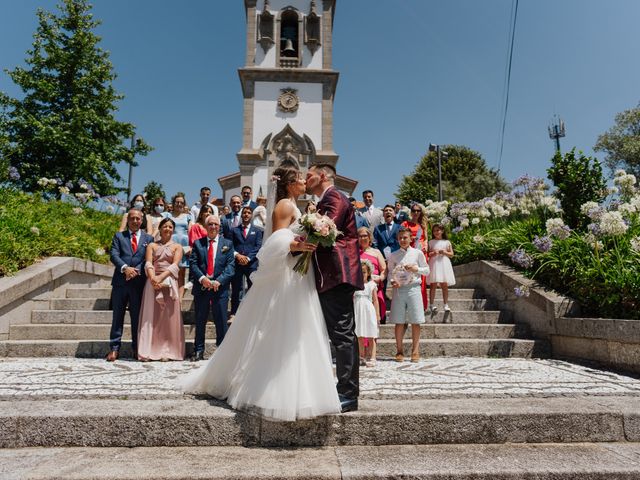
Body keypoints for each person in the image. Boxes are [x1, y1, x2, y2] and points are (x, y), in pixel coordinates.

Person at [181, 166, 341, 421]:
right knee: (283, 330)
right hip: (287, 277)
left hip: (297, 275)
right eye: (299, 178)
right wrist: (298, 245)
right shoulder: (285, 207)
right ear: (289, 185)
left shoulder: (294, 206)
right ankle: (269, 388)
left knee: (298, 330)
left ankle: (302, 387)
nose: (303, 181)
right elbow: (274, 244)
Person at [306, 163, 364, 413]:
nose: (305, 179)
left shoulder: (335, 197)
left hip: (338, 274)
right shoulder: (324, 200)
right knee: (337, 334)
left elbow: (326, 229)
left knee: (342, 334)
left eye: (308, 175)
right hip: (328, 275)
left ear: (322, 175)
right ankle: (339, 388)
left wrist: (296, 240)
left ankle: (348, 393)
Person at [107, 209, 154, 361]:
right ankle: (114, 349)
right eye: (132, 218)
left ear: (142, 221)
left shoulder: (149, 238)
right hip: (120, 283)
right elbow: (114, 255)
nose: (135, 221)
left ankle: (136, 348)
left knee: (137, 318)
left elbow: (149, 259)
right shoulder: (119, 236)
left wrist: (137, 270)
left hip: (138, 284)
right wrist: (125, 268)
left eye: (138, 219)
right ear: (128, 220)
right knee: (117, 317)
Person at [187, 214, 235, 360]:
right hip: (202, 287)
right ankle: (198, 350)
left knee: (221, 322)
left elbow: (231, 266)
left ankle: (222, 353)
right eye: (210, 224)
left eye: (216, 224)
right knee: (200, 321)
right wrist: (202, 279)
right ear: (206, 227)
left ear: (219, 227)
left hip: (219, 288)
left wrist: (218, 281)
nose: (213, 227)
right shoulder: (198, 243)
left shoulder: (228, 244)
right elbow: (193, 264)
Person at [137, 217, 185, 361]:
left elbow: (175, 265)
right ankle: (151, 349)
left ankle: (169, 349)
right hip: (152, 283)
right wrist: (153, 278)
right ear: (160, 228)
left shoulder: (177, 247)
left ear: (173, 230)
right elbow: (148, 263)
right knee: (152, 317)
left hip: (169, 283)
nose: (168, 229)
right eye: (165, 226)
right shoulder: (152, 245)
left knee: (168, 318)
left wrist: (160, 278)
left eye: (170, 227)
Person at [387, 227, 430, 363]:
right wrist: (393, 281)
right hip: (399, 290)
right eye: (400, 238)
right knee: (399, 321)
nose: (402, 240)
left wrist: (416, 269)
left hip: (413, 289)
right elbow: (390, 273)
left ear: (411, 238)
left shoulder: (418, 253)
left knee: (416, 320)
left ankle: (415, 351)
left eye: (405, 237)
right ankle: (399, 351)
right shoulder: (393, 255)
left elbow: (427, 270)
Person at [230, 206, 263, 319]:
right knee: (236, 289)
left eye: (249, 213)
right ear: (241, 215)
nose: (246, 214)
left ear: (251, 215)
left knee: (252, 288)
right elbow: (230, 246)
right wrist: (238, 256)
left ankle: (252, 312)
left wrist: (248, 258)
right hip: (237, 263)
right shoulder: (234, 230)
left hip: (251, 264)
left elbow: (258, 247)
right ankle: (234, 313)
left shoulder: (257, 231)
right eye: (244, 212)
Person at [163, 193, 193, 300]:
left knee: (181, 274)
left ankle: (179, 300)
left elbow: (191, 232)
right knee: (169, 272)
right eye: (177, 202)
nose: (179, 204)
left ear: (184, 204)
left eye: (181, 202)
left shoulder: (188, 216)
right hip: (170, 244)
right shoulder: (167, 215)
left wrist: (191, 246)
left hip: (184, 247)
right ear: (173, 203)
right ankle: (169, 297)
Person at [402, 203, 430, 309]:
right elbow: (401, 236)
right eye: (414, 210)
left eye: (418, 211)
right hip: (409, 252)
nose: (416, 213)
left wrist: (425, 245)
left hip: (421, 253)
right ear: (411, 212)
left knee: (421, 279)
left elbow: (426, 238)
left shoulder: (422, 225)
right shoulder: (405, 223)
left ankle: (421, 304)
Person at [358, 227, 387, 324]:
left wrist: (380, 278)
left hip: (375, 286)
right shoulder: (354, 253)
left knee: (374, 317)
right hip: (361, 288)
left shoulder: (376, 252)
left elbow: (384, 270)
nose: (362, 238)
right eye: (360, 236)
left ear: (369, 237)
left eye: (365, 235)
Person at [354, 259, 380, 367]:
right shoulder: (355, 284)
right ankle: (361, 356)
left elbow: (375, 300)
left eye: (364, 272)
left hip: (368, 310)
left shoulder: (371, 284)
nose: (362, 274)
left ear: (368, 273)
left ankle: (372, 357)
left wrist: (377, 315)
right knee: (359, 334)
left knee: (371, 334)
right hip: (358, 311)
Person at [428, 223, 456, 313]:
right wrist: (433, 253)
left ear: (442, 231)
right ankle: (431, 305)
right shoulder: (431, 242)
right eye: (434, 230)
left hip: (444, 264)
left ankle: (446, 304)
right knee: (433, 284)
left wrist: (444, 252)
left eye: (438, 230)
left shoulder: (447, 242)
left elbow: (451, 254)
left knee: (444, 284)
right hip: (434, 263)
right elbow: (428, 254)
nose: (436, 232)